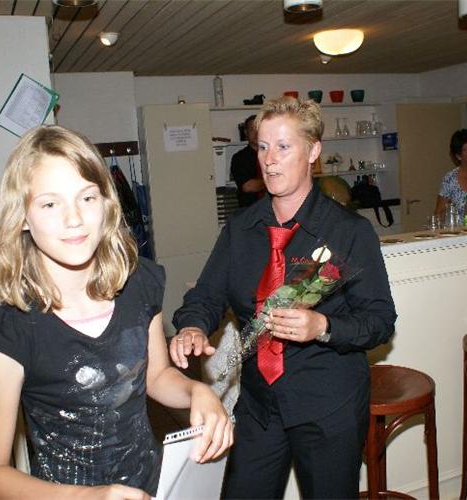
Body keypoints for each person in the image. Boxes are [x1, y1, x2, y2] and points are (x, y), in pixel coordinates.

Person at [0, 125, 233, 499]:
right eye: (50, 204)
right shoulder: (12, 330)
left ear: (107, 203)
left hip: (150, 486)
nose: (74, 218)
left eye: (87, 198)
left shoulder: (139, 284)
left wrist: (197, 391)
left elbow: (156, 376)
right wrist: (87, 497)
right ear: (23, 217)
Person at [170, 97, 397, 499]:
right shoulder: (241, 230)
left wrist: (322, 326)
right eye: (262, 146)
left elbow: (379, 321)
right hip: (259, 405)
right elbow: (207, 295)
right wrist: (192, 325)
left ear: (312, 151)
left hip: (328, 405)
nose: (269, 159)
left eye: (283, 146)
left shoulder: (348, 232)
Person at [231, 115, 266, 207]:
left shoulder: (274, 154)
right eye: (252, 130)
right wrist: (273, 181)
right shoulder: (239, 158)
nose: (256, 133)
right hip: (250, 209)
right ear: (246, 132)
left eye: (258, 129)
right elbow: (248, 186)